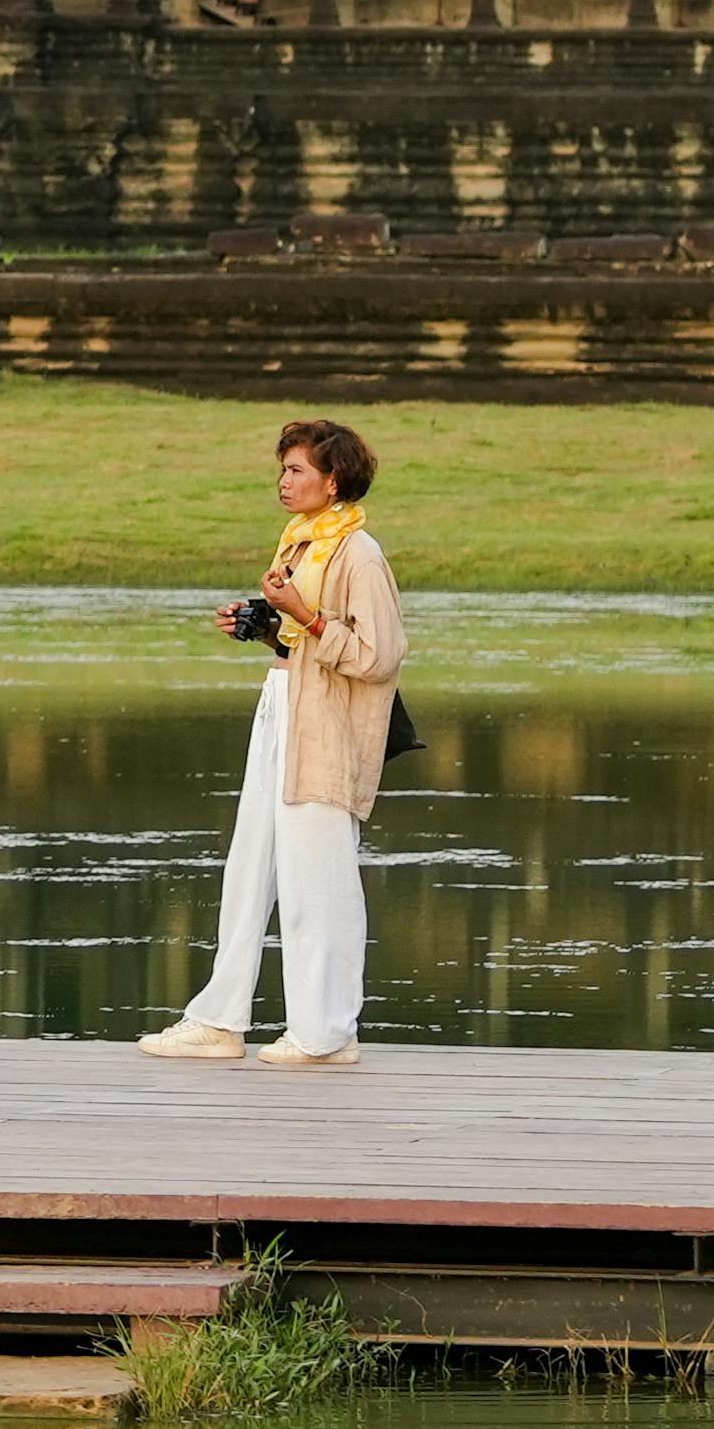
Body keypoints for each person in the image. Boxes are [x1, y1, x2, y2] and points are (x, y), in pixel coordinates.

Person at [138, 413, 407, 1066]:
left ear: (332, 477)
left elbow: (379, 655)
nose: (283, 482)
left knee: (320, 876)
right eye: (282, 469)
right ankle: (220, 1020)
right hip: (283, 704)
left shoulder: (359, 555)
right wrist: (260, 623)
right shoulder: (302, 541)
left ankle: (327, 1032)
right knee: (249, 866)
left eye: (295, 470)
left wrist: (304, 615)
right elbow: (301, 637)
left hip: (328, 727)